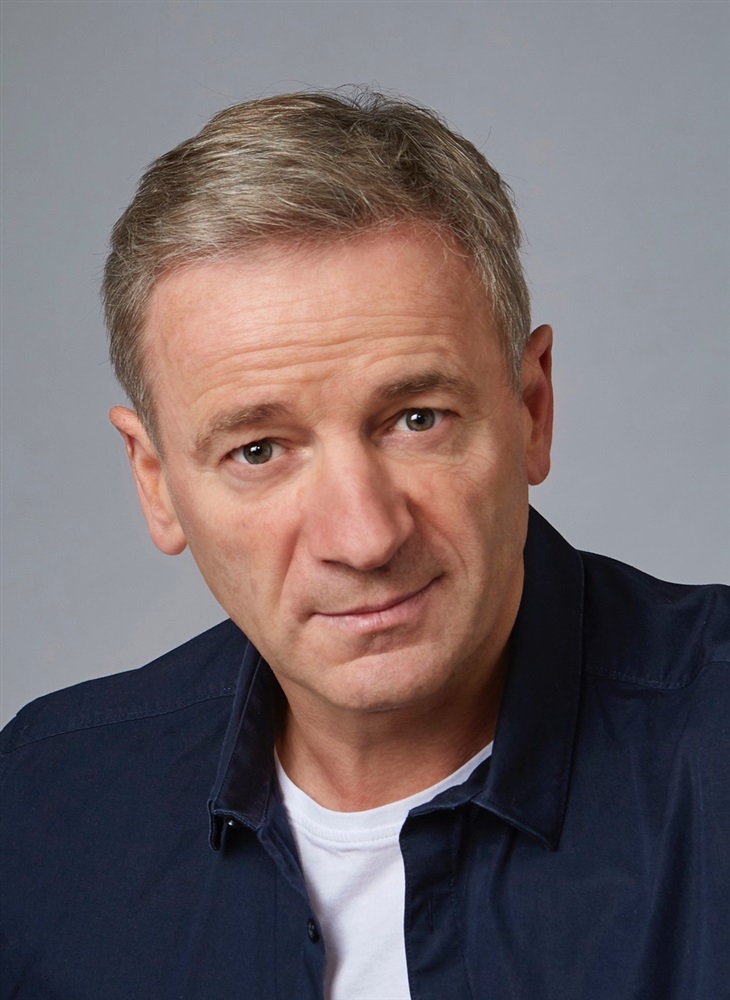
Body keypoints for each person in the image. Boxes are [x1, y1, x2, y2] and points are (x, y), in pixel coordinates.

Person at [1, 90, 727, 1000]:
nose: (365, 537)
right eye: (258, 450)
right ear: (156, 483)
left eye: (417, 419)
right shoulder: (40, 810)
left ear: (532, 410)